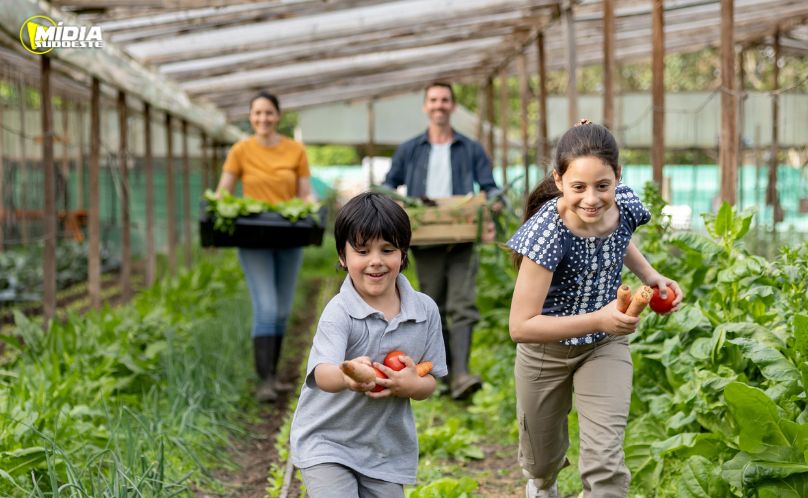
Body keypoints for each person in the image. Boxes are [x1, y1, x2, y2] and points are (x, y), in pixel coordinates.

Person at [507, 120, 682, 498]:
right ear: (559, 181)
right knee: (541, 461)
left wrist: (652, 276)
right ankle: (542, 485)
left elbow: (620, 238)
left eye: (603, 186)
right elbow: (520, 327)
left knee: (605, 461)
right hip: (545, 351)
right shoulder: (547, 234)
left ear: (617, 176)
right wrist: (600, 317)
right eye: (579, 187)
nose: (592, 199)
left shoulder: (626, 206)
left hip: (604, 345)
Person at [289, 192, 447, 498]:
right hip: (327, 442)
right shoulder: (340, 311)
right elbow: (322, 374)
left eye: (387, 249)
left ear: (403, 254)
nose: (375, 261)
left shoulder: (424, 312)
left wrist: (411, 384)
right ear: (342, 256)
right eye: (362, 251)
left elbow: (429, 380)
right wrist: (348, 375)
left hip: (383, 450)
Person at [382, 81, 501, 400]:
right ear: (425, 106)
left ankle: (461, 373)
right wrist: (395, 204)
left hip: (462, 238)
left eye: (445, 100)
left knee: (463, 304)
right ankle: (441, 373)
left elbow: (490, 186)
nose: (439, 105)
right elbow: (389, 185)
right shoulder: (410, 149)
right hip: (425, 240)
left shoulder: (470, 148)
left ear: (453, 106)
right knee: (432, 304)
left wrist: (493, 201)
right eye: (433, 100)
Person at [215, 90, 314, 403]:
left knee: (283, 310)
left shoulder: (295, 151)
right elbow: (224, 191)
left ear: (278, 116)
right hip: (254, 236)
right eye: (257, 113)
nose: (263, 119)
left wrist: (313, 207)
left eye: (269, 113)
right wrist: (220, 206)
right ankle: (265, 380)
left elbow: (305, 193)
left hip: (288, 234)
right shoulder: (240, 150)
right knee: (267, 307)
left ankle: (272, 374)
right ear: (250, 117)